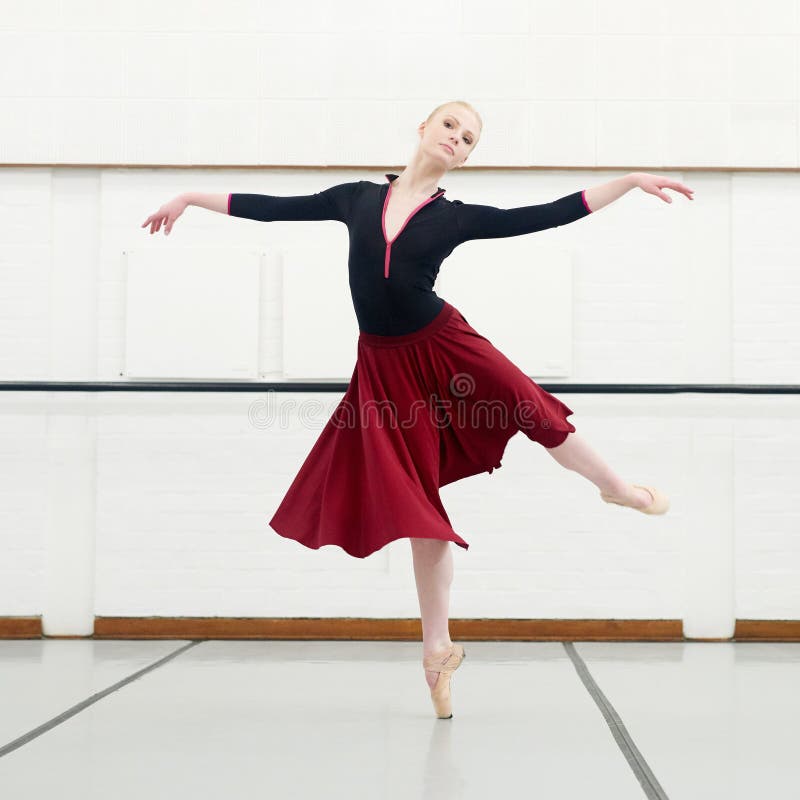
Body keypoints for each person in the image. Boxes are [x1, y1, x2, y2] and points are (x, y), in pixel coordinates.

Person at [142, 100, 694, 719]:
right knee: (418, 503)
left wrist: (627, 183)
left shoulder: (454, 218)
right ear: (424, 130)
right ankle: (437, 651)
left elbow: (546, 215)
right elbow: (270, 208)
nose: (458, 139)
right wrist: (188, 195)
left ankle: (616, 487)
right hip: (384, 369)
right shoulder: (353, 198)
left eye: (470, 139)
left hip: (445, 344)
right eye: (451, 126)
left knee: (531, 407)